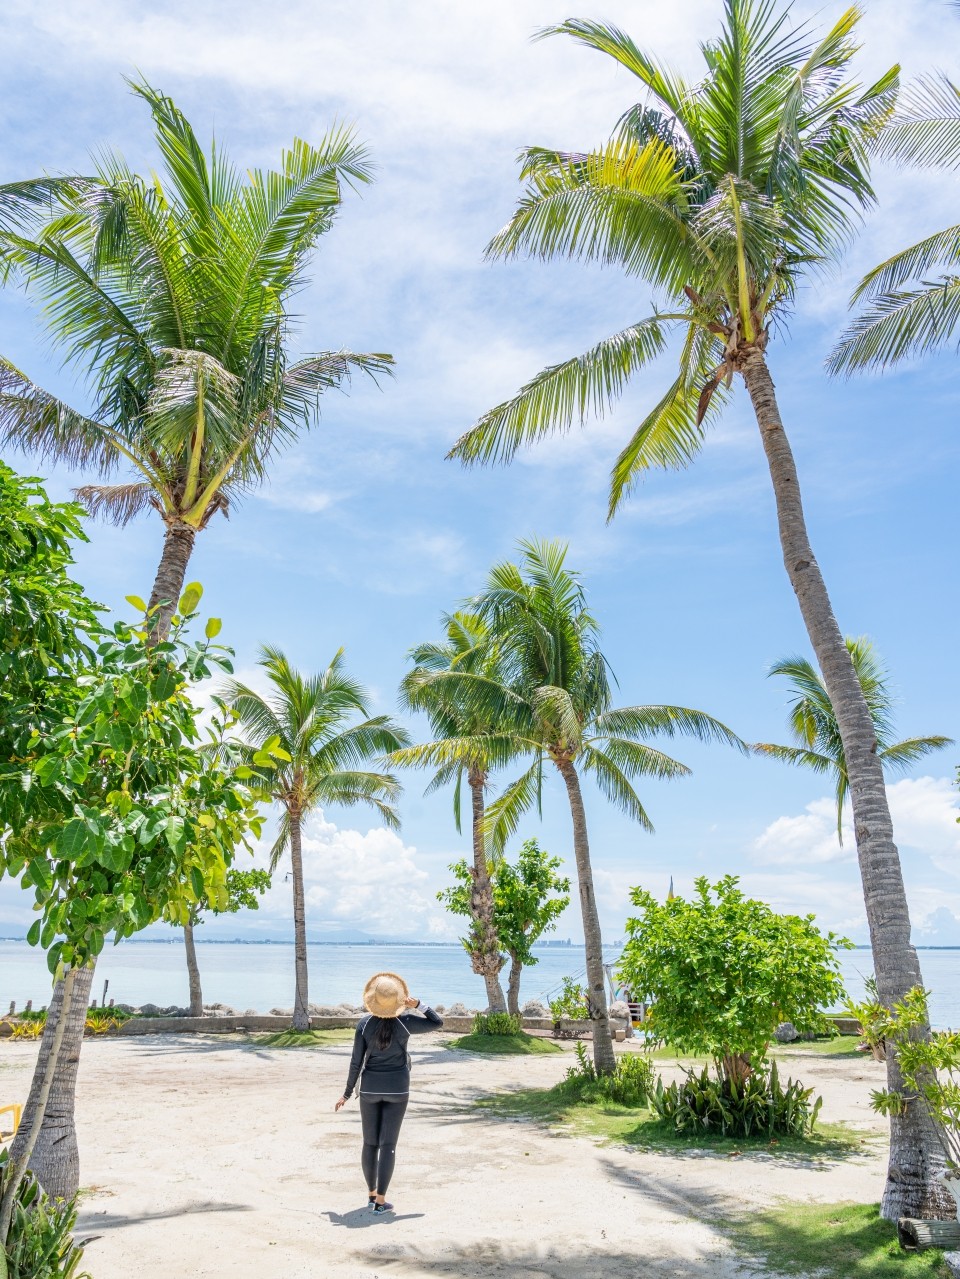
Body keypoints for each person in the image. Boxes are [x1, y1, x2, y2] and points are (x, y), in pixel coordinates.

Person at [335, 972, 443, 1212]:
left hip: (370, 1089)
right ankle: (381, 1201)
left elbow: (355, 1062)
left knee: (369, 1144)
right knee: (388, 1145)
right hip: (398, 1090)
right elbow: (437, 1022)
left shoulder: (364, 1024)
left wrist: (346, 1093)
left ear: (373, 999)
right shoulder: (406, 1022)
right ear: (399, 1000)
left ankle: (371, 1194)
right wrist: (419, 1005)